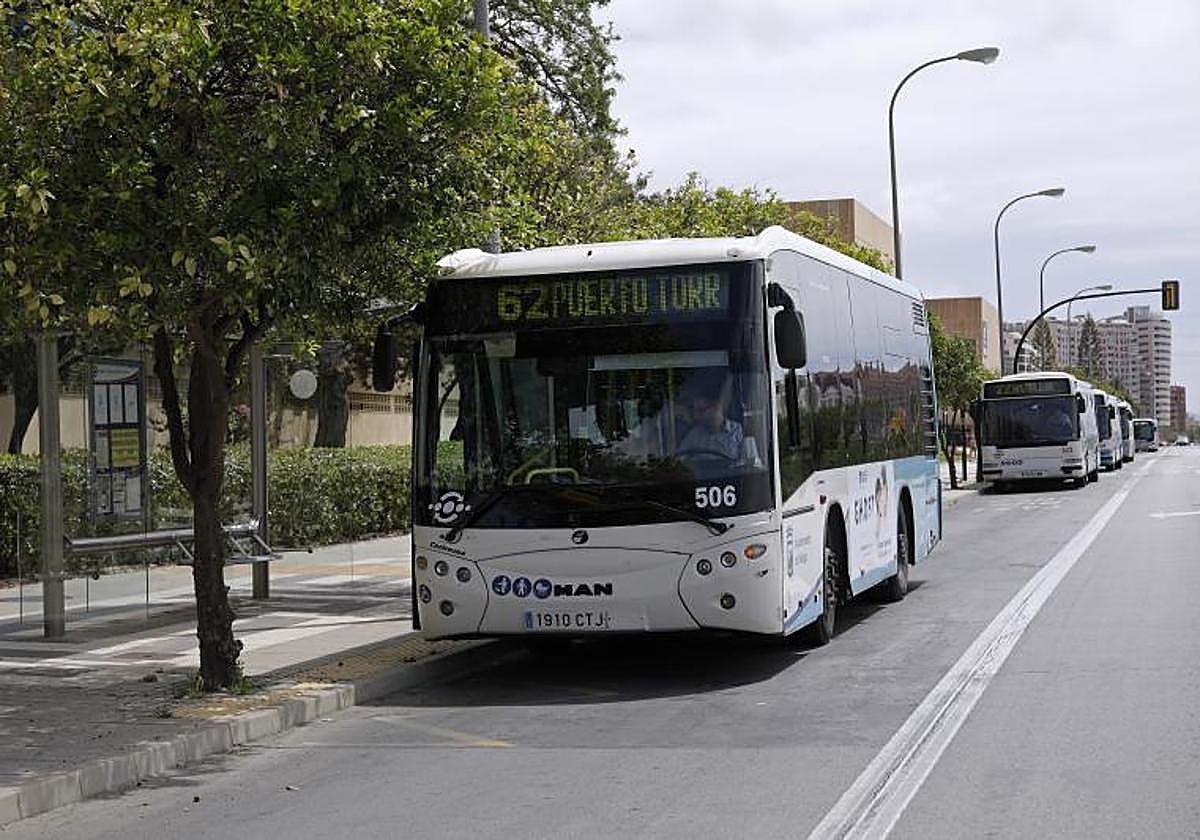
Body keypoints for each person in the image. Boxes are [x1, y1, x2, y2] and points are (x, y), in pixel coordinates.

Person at [677, 370, 744, 460]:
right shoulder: (694, 435)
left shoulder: (738, 431)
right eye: (694, 411)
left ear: (716, 407)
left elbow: (749, 463)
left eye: (701, 411)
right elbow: (679, 461)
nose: (696, 416)